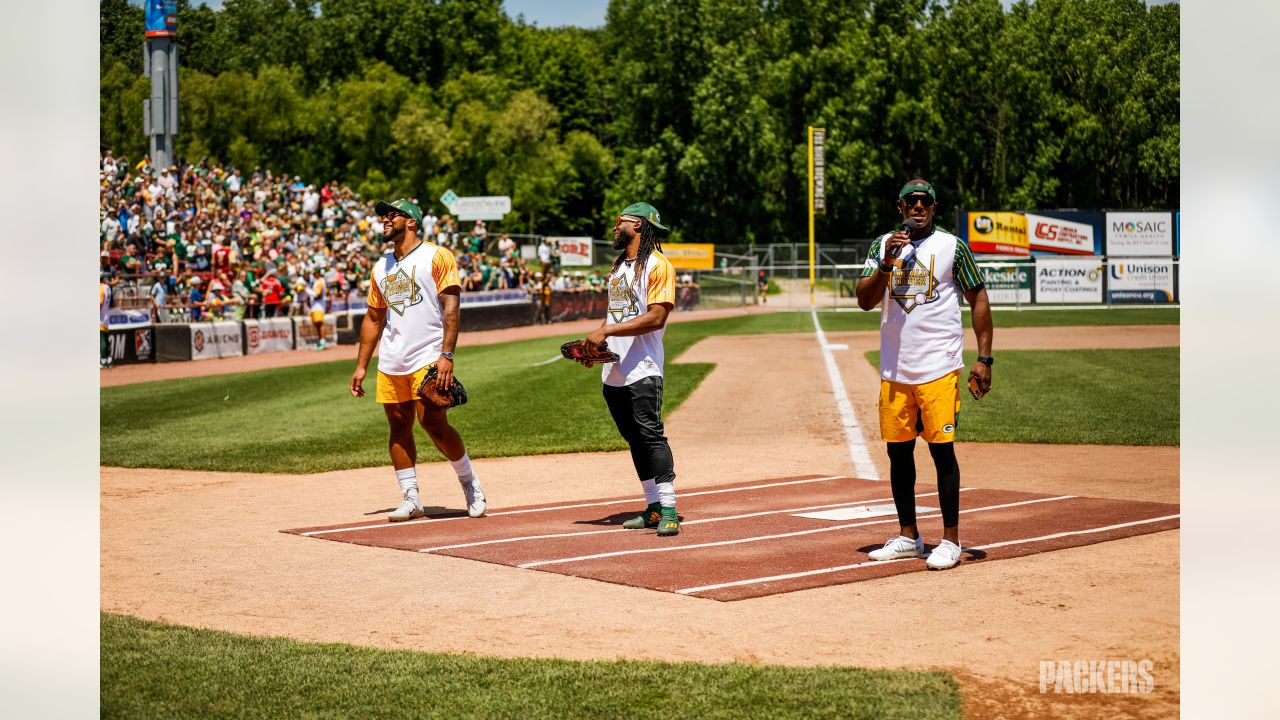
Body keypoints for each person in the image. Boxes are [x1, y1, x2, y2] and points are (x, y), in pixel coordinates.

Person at [854, 179, 994, 571]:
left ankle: (950, 539)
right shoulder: (883, 245)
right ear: (900, 207)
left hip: (939, 365)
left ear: (934, 208)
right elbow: (865, 300)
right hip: (896, 368)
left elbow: (978, 296)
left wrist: (985, 358)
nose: (919, 207)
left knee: (941, 452)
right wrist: (886, 263)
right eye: (912, 202)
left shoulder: (953, 246)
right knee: (898, 453)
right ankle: (909, 536)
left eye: (926, 202)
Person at [349, 198, 486, 522]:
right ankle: (411, 498)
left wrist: (447, 354)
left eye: (391, 215)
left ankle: (469, 483)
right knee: (398, 427)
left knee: (434, 424)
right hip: (392, 359)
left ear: (411, 221)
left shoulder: (436, 256)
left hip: (428, 354)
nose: (384, 219)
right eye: (383, 215)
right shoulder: (380, 266)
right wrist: (361, 365)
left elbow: (451, 307)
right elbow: (373, 317)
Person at [571, 202, 681, 537]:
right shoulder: (620, 266)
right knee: (633, 438)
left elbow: (656, 317)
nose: (614, 225)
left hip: (643, 367)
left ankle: (670, 509)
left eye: (619, 220)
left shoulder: (657, 264)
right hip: (616, 370)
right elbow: (617, 316)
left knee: (650, 435)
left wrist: (605, 332)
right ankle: (652, 507)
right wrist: (596, 345)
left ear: (638, 225)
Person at [305, 268, 329, 349]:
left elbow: (317, 294)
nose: (314, 274)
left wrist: (306, 289)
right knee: (317, 324)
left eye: (315, 273)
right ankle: (320, 341)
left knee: (320, 323)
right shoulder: (316, 281)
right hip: (315, 305)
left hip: (319, 305)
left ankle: (323, 342)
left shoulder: (320, 281)